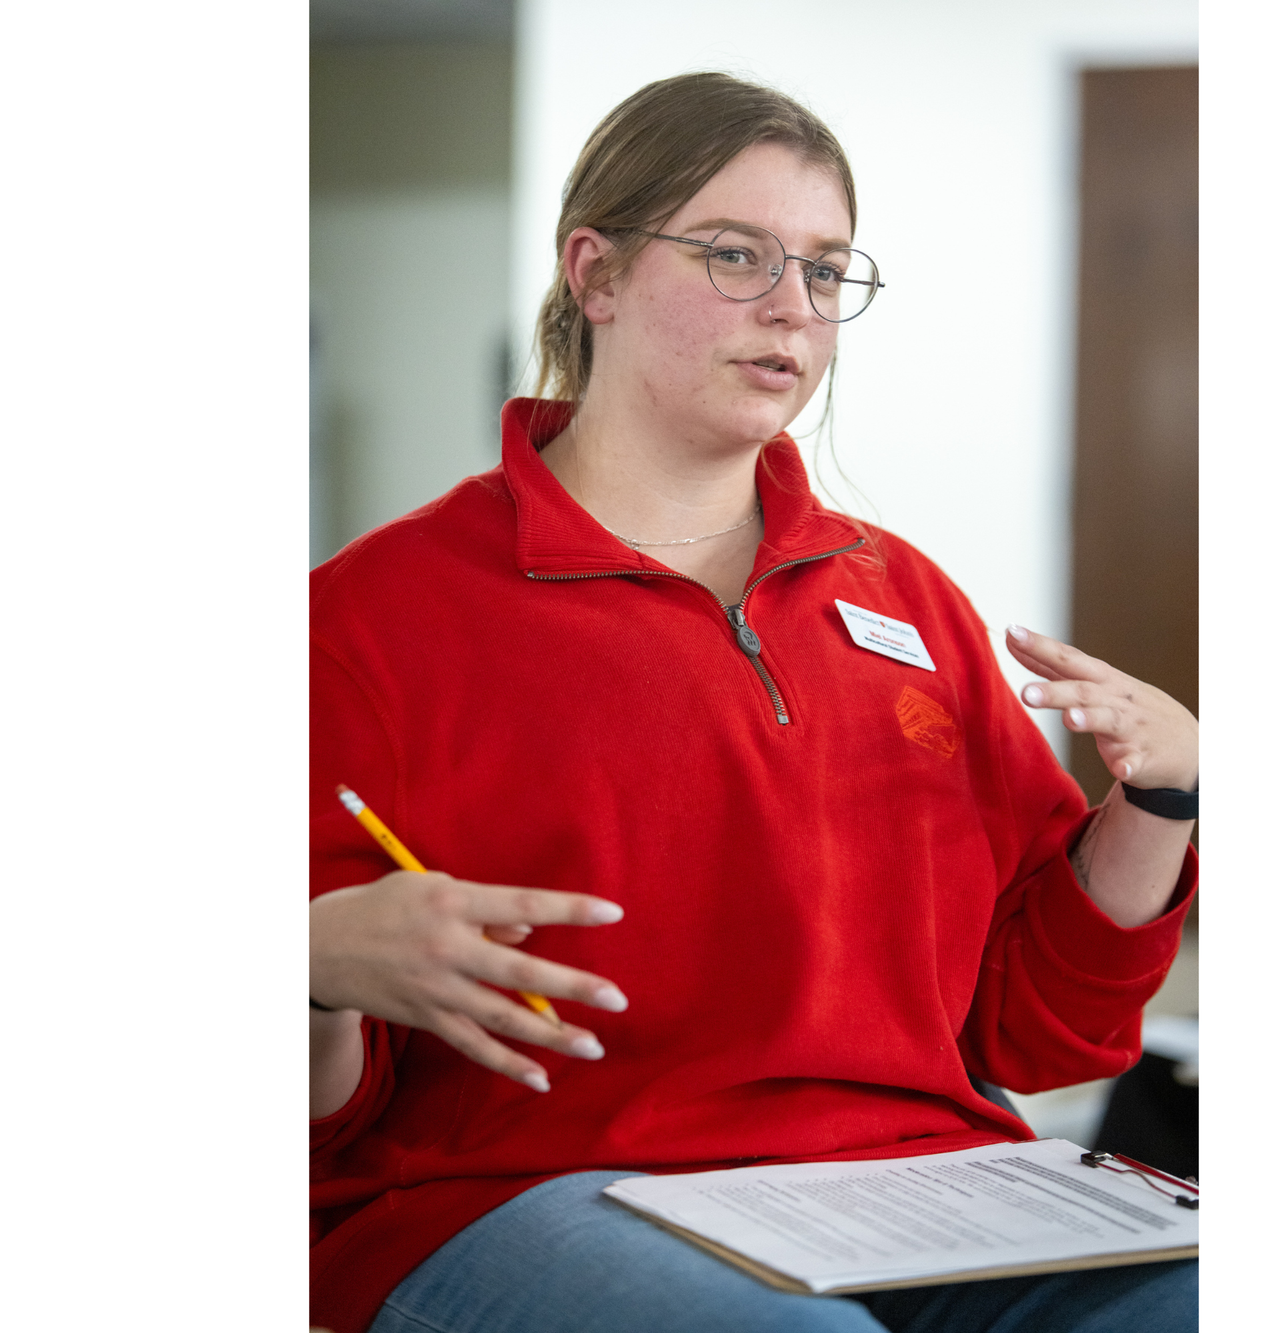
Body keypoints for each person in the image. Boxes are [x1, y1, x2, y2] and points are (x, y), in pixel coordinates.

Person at [309, 73, 1199, 1333]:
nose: (792, 307)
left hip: (909, 1188)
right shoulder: (365, 621)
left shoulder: (903, 600)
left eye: (825, 270)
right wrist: (311, 976)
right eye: (736, 255)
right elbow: (320, 1109)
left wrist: (1160, 800)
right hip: (525, 1194)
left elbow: (1031, 1031)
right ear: (595, 275)